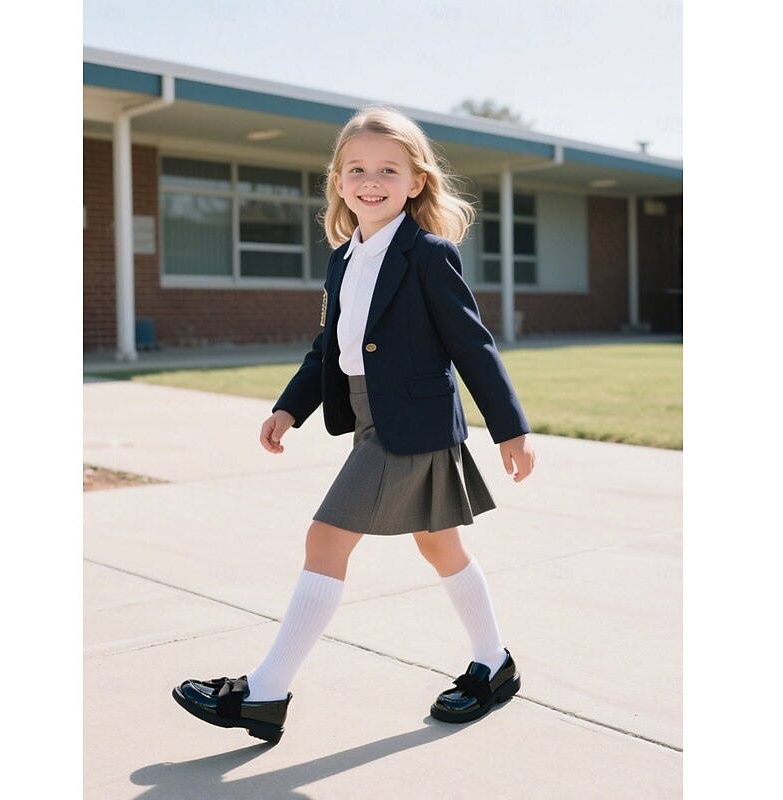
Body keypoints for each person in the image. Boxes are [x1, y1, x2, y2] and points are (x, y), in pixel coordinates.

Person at [173, 106, 536, 744]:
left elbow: (471, 343)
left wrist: (510, 427)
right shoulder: (345, 258)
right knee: (440, 546)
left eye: (388, 170)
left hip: (412, 425)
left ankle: (265, 692)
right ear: (338, 181)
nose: (372, 181)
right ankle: (494, 663)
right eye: (357, 169)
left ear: (416, 181)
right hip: (372, 419)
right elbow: (329, 347)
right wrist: (290, 407)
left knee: (325, 539)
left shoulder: (429, 254)